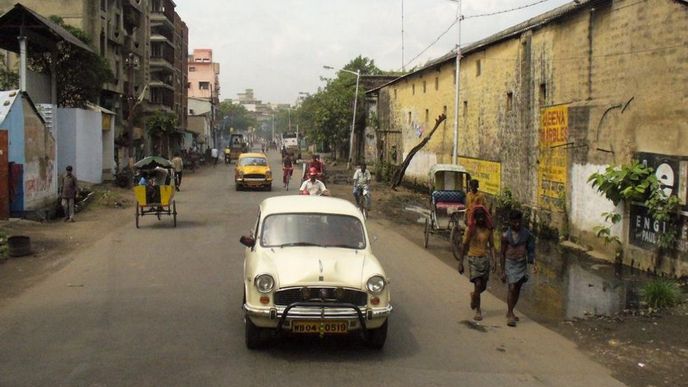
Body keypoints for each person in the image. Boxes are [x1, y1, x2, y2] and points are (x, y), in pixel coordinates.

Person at [458, 205, 496, 321]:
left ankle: (474, 295)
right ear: (475, 217)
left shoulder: (488, 230)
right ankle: (478, 310)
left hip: (484, 259)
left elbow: (492, 246)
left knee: (483, 286)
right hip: (473, 258)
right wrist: (461, 262)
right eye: (478, 217)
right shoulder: (471, 230)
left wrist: (494, 261)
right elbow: (464, 245)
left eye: (482, 217)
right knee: (478, 284)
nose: (480, 219)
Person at [500, 209, 536, 327]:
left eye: (519, 222)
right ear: (510, 222)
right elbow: (502, 253)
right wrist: (502, 271)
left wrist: (532, 262)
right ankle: (510, 313)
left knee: (517, 288)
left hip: (521, 264)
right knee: (512, 287)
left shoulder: (527, 234)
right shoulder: (505, 236)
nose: (517, 225)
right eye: (514, 222)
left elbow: (531, 249)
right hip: (510, 263)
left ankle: (511, 309)